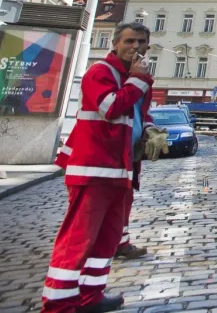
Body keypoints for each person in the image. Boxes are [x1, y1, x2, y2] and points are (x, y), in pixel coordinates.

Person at [44, 23, 168, 313]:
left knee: (107, 237)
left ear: (148, 47)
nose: (135, 47)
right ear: (115, 44)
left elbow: (137, 115)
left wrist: (149, 129)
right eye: (128, 41)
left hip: (121, 169)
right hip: (93, 168)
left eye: (141, 42)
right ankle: (58, 304)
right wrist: (138, 81)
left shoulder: (136, 79)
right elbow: (110, 107)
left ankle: (90, 296)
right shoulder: (102, 72)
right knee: (79, 238)